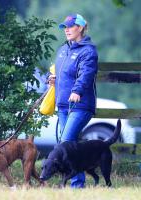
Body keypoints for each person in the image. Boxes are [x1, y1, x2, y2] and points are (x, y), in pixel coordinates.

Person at [48, 13, 98, 188]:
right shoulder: (63, 50)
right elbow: (60, 72)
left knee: (65, 143)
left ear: (81, 27)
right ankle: (77, 184)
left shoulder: (88, 51)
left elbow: (86, 74)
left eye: (70, 26)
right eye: (65, 27)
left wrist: (77, 90)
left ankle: (75, 185)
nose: (67, 30)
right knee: (70, 145)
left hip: (80, 105)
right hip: (62, 105)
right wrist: (53, 79)